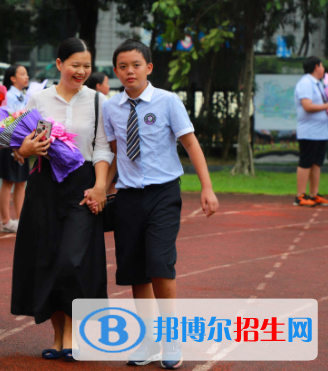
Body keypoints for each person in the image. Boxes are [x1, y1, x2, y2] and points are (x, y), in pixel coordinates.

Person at [102, 39, 219, 369]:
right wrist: (101, 189)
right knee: (136, 271)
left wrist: (206, 187)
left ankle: (171, 337)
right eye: (123, 66)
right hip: (126, 198)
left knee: (159, 264)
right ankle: (149, 338)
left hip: (164, 194)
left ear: (149, 68)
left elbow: (191, 144)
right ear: (116, 71)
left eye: (136, 65)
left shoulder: (168, 102)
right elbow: (114, 153)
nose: (129, 71)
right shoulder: (111, 107)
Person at [11, 38, 113, 361]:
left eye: (87, 66)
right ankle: (59, 338)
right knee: (47, 260)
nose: (82, 71)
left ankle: (73, 334)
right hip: (44, 185)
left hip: (82, 187)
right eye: (75, 65)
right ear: (58, 65)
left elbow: (102, 148)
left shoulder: (98, 101)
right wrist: (25, 150)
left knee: (72, 260)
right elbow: (16, 141)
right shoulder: (38, 99)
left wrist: (100, 187)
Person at [0, 64, 30, 233]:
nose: (27, 76)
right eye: (22, 74)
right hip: (10, 142)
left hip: (23, 143)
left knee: (21, 182)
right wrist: (14, 146)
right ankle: (5, 220)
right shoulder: (8, 96)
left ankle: (20, 218)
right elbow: (7, 122)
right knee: (8, 182)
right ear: (13, 79)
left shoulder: (24, 96)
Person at [293, 56, 328, 207]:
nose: (323, 69)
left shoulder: (319, 84)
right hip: (309, 132)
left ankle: (314, 194)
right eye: (321, 66)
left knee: (317, 163)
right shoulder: (306, 83)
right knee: (306, 162)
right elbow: (307, 106)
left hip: (321, 131)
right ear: (316, 67)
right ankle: (300, 196)